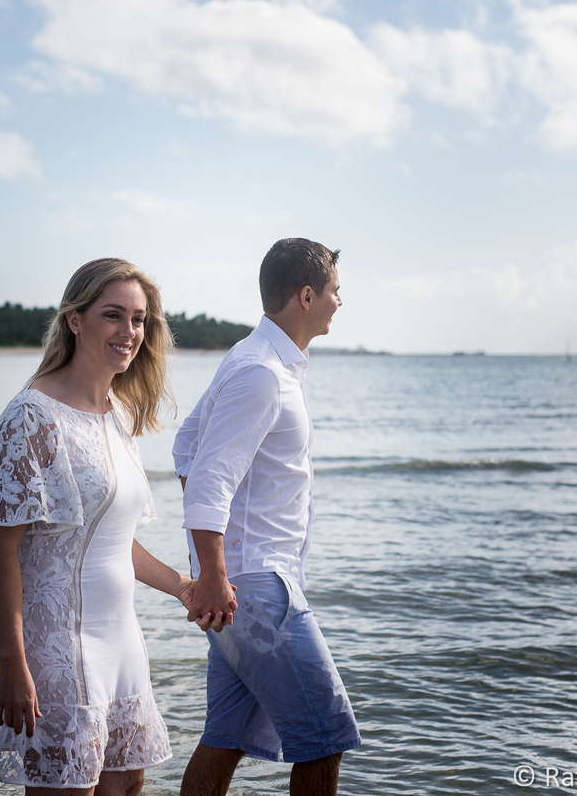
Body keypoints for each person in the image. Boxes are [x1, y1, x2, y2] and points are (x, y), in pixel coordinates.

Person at [0, 258, 225, 796]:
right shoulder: (30, 417)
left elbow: (108, 539)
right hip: (54, 645)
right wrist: (13, 662)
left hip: (120, 639)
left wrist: (183, 585)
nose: (129, 332)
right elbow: (1, 553)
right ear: (75, 320)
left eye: (138, 319)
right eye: (113, 315)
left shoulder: (117, 413)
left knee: (129, 783)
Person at [173, 238, 361, 796]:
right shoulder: (260, 372)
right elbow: (208, 478)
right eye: (334, 290)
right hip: (258, 587)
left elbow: (187, 448)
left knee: (225, 738)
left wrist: (218, 564)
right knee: (326, 738)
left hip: (244, 582)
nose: (339, 302)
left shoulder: (259, 361)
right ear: (307, 295)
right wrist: (214, 571)